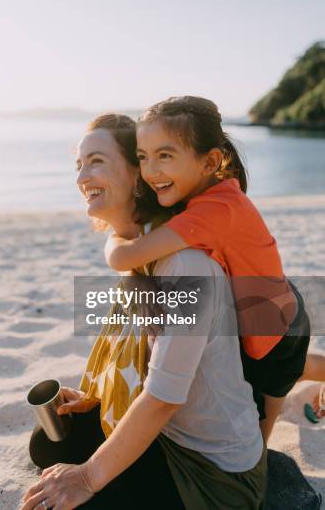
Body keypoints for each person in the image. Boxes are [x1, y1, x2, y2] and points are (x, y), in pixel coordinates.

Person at [21, 114, 267, 510]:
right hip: (169, 436)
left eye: (97, 161)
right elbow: (143, 359)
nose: (83, 176)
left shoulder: (186, 269)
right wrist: (98, 395)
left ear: (139, 175)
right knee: (49, 444)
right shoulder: (140, 252)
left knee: (75, 493)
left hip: (213, 473)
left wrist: (86, 478)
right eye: (79, 164)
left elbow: (164, 398)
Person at [104, 96, 325, 441]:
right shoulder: (210, 195)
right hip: (274, 308)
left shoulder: (215, 211)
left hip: (277, 334)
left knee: (259, 436)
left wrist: (115, 234)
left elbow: (123, 258)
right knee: (296, 368)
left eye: (165, 155)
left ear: (210, 162)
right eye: (142, 157)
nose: (150, 171)